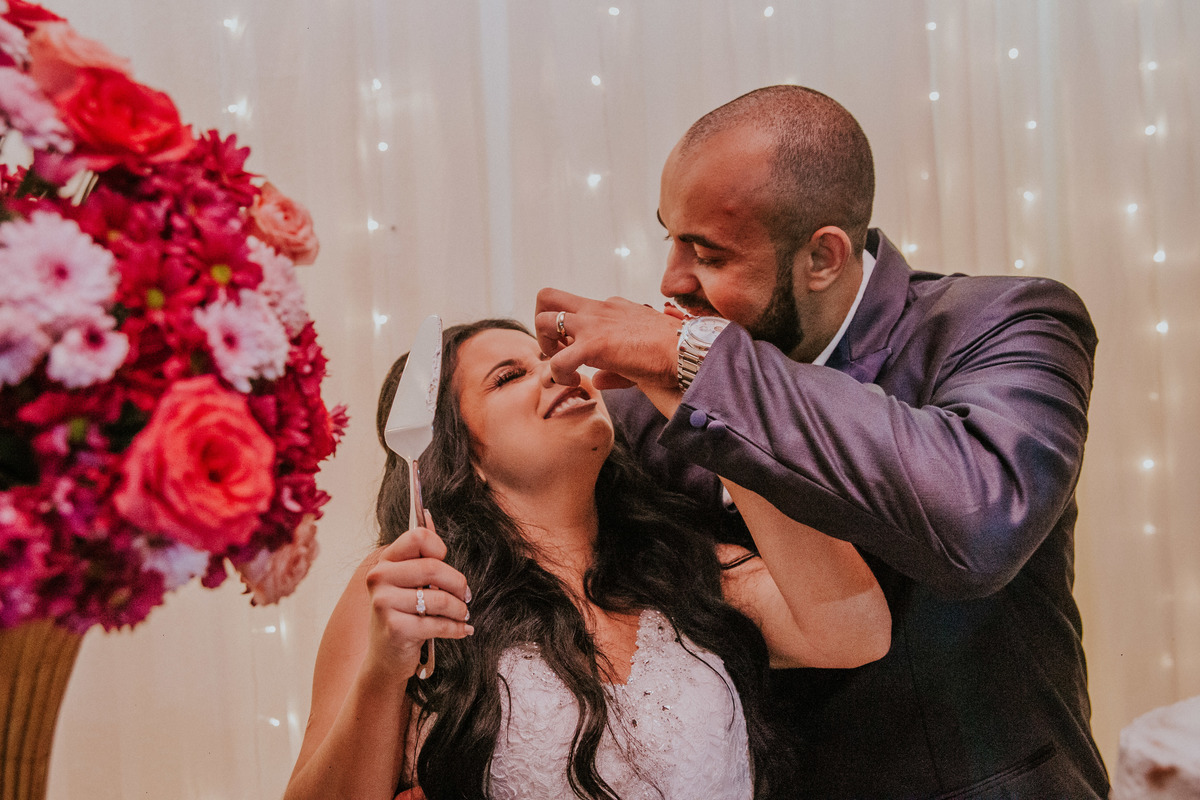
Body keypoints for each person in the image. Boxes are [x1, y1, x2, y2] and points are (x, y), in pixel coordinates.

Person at [534, 85, 1108, 798]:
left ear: (823, 257)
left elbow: (981, 523)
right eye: (670, 238)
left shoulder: (1005, 321)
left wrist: (693, 359)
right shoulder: (655, 403)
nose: (671, 280)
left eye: (708, 254)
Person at [283, 319, 891, 800]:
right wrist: (383, 671)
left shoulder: (684, 565)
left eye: (553, 358)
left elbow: (857, 633)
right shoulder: (410, 588)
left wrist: (709, 412)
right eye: (509, 376)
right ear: (460, 453)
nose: (560, 371)